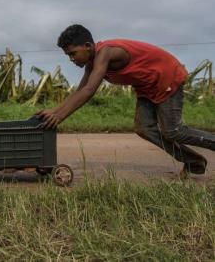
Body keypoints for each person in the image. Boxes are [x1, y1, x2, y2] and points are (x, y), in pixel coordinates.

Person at [37, 24, 214, 176]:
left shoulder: (106, 53)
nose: (71, 59)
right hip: (147, 86)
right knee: (143, 128)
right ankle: (193, 161)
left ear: (88, 46)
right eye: (68, 55)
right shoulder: (92, 63)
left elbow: (90, 90)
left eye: (73, 53)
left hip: (166, 77)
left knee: (174, 131)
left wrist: (60, 117)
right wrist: (54, 111)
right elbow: (81, 90)